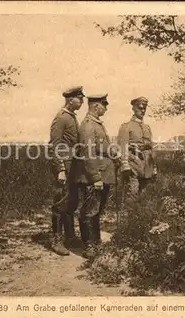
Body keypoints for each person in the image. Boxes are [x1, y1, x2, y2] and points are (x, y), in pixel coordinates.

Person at [73, 94, 115, 258]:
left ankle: (95, 242)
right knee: (90, 211)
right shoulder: (88, 125)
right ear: (96, 106)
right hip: (94, 176)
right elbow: (87, 153)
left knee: (97, 210)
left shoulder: (97, 124)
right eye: (104, 105)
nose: (106, 108)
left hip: (102, 174)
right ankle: (89, 245)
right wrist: (95, 177)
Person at [48, 86, 84, 256]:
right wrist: (60, 169)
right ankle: (56, 240)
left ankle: (70, 236)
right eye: (79, 98)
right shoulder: (61, 118)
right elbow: (54, 145)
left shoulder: (72, 117)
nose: (82, 101)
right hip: (64, 166)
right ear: (71, 100)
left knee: (71, 202)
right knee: (60, 203)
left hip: (73, 165)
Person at [117, 96, 157, 203]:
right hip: (133, 164)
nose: (142, 111)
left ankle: (139, 218)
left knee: (144, 195)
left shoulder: (147, 127)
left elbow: (151, 147)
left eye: (144, 108)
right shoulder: (126, 127)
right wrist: (125, 164)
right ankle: (129, 217)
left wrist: (154, 167)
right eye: (140, 108)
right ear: (133, 108)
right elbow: (122, 146)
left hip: (147, 165)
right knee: (133, 192)